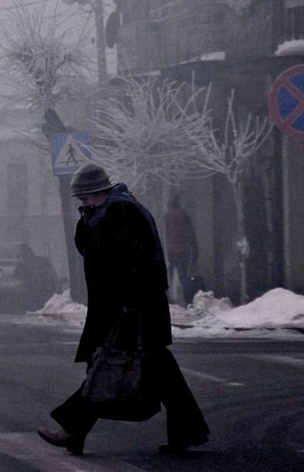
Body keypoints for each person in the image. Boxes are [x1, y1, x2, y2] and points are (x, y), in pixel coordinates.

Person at [37, 163, 209, 457]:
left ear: (102, 191)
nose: (85, 204)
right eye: (82, 200)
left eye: (89, 198)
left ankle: (73, 431)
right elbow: (90, 249)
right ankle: (188, 432)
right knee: (158, 372)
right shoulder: (107, 213)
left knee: (105, 368)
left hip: (130, 309)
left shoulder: (121, 212)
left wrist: (129, 308)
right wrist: (88, 218)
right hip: (129, 308)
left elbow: (130, 262)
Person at [163, 194, 199, 305]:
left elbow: (164, 234)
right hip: (184, 250)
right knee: (184, 277)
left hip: (170, 251)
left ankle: (167, 300)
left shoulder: (166, 217)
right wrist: (195, 249)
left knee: (168, 277)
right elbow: (190, 234)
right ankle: (190, 300)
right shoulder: (184, 216)